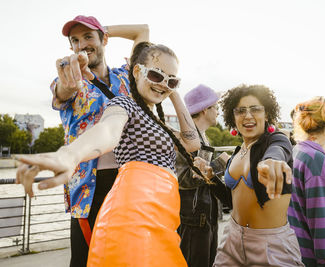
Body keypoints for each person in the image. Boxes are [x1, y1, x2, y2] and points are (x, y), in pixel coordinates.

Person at [16, 41, 201, 267]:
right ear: (136, 71)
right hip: (134, 215)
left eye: (171, 80)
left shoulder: (157, 123)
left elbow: (192, 143)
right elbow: (107, 130)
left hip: (162, 218)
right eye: (155, 75)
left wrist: (172, 90)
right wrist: (69, 155)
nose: (163, 84)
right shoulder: (124, 105)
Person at [47, 15, 149, 267]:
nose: (81, 45)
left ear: (104, 39)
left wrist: (104, 31)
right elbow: (62, 90)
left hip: (129, 181)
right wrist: (68, 80)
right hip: (89, 189)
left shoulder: (127, 76)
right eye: (75, 40)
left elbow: (142, 31)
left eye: (87, 37)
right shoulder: (72, 79)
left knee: (126, 258)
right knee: (86, 260)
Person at [213, 84, 304, 266]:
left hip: (270, 246)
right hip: (231, 240)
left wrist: (272, 161)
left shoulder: (276, 140)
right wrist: (210, 178)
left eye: (255, 109)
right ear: (233, 117)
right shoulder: (238, 152)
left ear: (267, 114)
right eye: (240, 111)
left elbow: (279, 150)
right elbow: (232, 202)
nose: (248, 115)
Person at [288, 96, 325, 266]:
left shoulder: (297, 151)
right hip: (311, 258)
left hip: (295, 251)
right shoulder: (315, 159)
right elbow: (321, 218)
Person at [176, 84, 230, 267]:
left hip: (204, 218)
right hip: (194, 221)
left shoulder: (201, 136)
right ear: (205, 110)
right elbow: (183, 179)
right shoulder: (189, 138)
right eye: (215, 107)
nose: (218, 112)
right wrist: (220, 163)